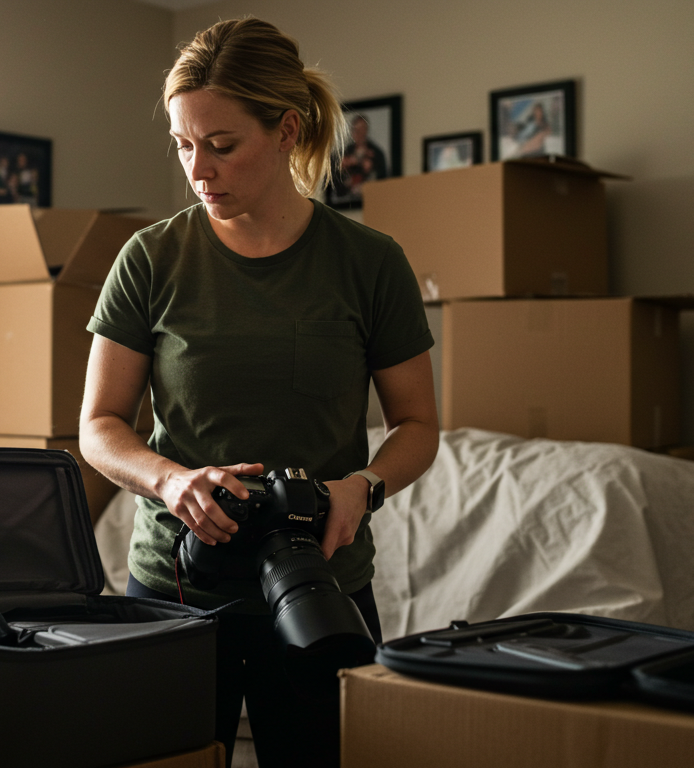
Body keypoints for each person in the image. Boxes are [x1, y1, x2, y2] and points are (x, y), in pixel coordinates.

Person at [78, 17, 438, 768]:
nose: (198, 170)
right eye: (183, 144)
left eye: (221, 144)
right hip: (174, 589)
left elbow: (417, 424)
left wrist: (361, 488)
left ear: (285, 130)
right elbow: (100, 424)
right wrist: (171, 481)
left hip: (318, 590)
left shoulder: (370, 264)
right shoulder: (150, 259)